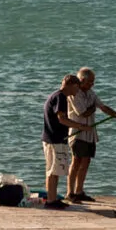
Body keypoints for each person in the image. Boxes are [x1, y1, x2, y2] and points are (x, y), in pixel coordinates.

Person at [66, 67, 116, 202]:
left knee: (86, 161)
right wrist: (93, 108)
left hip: (90, 134)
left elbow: (103, 107)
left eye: (93, 81)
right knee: (76, 162)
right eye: (90, 81)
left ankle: (79, 191)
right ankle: (70, 193)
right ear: (82, 80)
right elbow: (83, 112)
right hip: (77, 133)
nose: (93, 84)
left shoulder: (91, 93)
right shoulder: (74, 94)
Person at [41, 74, 78, 209]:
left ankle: (52, 197)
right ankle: (51, 201)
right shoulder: (61, 97)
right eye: (77, 88)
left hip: (53, 139)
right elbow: (62, 119)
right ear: (72, 85)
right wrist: (81, 126)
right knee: (53, 171)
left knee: (54, 170)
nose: (77, 91)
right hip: (54, 140)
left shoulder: (56, 96)